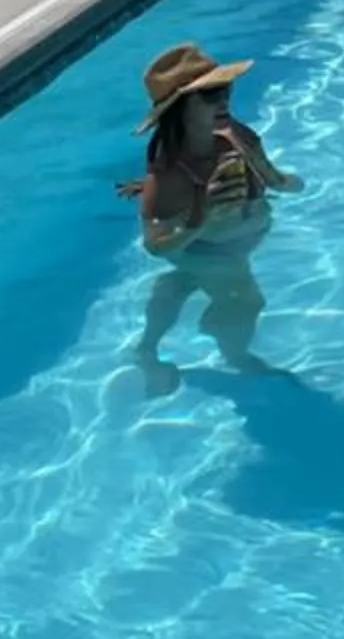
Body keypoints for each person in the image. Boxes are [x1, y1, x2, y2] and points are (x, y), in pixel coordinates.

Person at [127, 43, 302, 392]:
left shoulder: (237, 136)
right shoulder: (172, 173)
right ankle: (235, 355)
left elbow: (274, 178)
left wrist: (281, 180)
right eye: (208, 95)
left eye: (224, 89)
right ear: (180, 109)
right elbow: (156, 246)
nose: (223, 100)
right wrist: (200, 218)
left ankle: (146, 348)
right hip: (209, 251)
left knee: (182, 281)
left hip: (225, 248)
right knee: (248, 301)